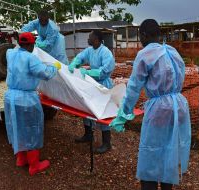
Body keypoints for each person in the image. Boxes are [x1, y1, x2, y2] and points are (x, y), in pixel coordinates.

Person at [110, 19, 191, 190]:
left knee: (151, 153)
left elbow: (133, 87)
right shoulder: (172, 51)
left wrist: (124, 113)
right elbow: (181, 75)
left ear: (144, 35)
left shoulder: (145, 54)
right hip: (179, 105)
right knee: (170, 150)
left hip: (160, 108)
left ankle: (150, 185)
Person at [4, 32, 61, 176]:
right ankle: (34, 165)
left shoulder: (10, 53)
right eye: (32, 44)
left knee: (17, 127)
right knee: (32, 129)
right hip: (26, 99)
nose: (33, 47)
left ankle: (21, 159)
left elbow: (15, 48)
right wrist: (55, 66)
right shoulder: (31, 58)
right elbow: (46, 74)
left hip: (10, 98)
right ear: (30, 45)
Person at [68, 30, 116, 154]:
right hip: (91, 84)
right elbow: (80, 57)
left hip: (102, 85)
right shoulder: (89, 50)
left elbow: (105, 70)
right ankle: (88, 134)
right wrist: (74, 63)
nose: (88, 38)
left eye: (90, 37)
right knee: (87, 108)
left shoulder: (105, 52)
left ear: (97, 39)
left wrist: (89, 72)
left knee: (103, 112)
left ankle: (107, 142)